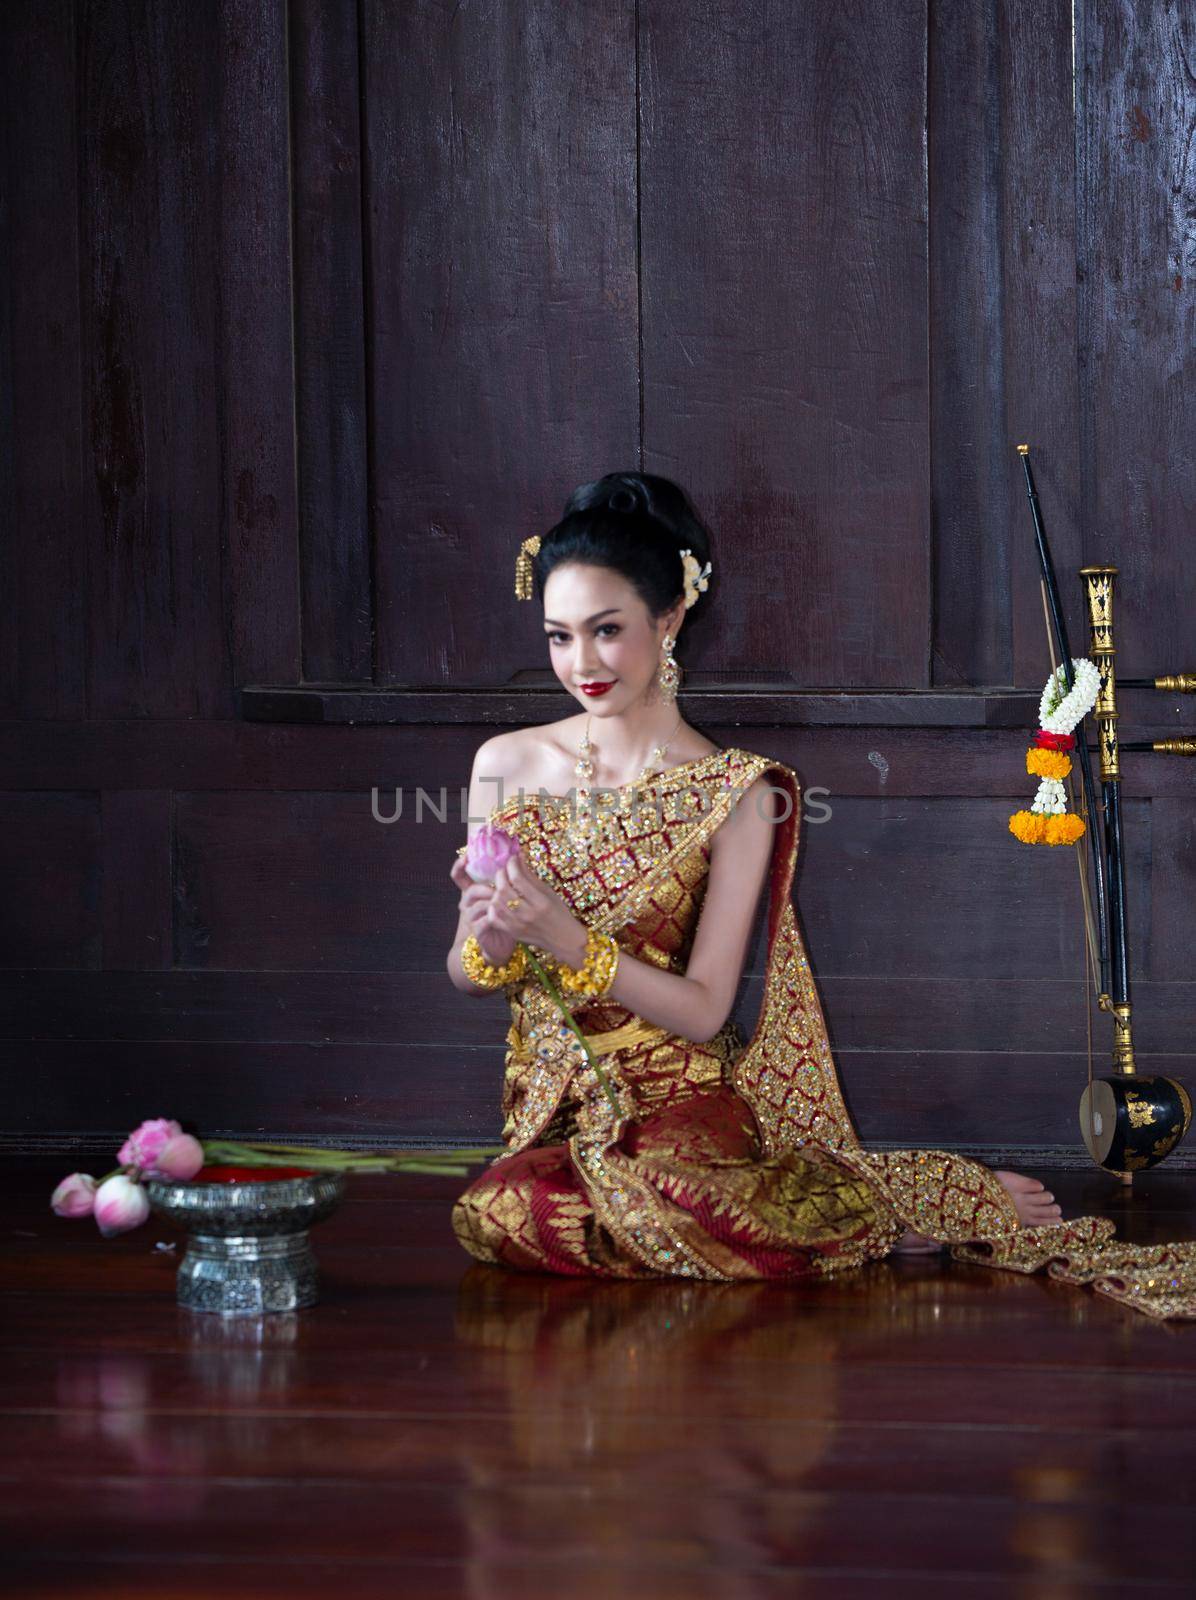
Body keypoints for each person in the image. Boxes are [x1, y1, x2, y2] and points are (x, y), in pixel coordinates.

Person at [445, 472, 1194, 1320]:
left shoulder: (737, 792)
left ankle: (880, 1206)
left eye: (606, 631)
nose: (581, 664)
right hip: (552, 1106)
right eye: (559, 636)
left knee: (658, 1194)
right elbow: (469, 975)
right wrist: (496, 942)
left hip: (679, 1103)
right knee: (496, 1213)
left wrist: (570, 942)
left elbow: (702, 1013)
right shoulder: (504, 764)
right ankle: (847, 1218)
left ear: (670, 618)